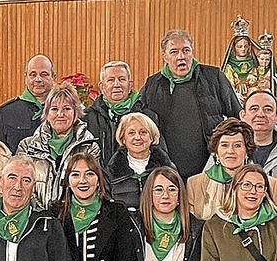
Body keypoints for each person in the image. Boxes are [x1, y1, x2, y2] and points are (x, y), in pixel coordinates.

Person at [140, 29, 241, 179]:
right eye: (174, 52)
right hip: (167, 170)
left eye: (186, 50)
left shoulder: (213, 77)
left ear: (192, 52)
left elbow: (236, 117)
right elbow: (142, 123)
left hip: (211, 166)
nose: (181, 57)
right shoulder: (153, 84)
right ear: (164, 56)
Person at [17, 82, 100, 211]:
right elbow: (21, 185)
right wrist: (42, 215)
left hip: (73, 219)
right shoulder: (27, 147)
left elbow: (92, 186)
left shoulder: (89, 147)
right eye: (54, 109)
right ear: (46, 113)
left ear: (76, 112)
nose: (60, 114)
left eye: (66, 109)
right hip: (35, 219)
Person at [187, 119, 277, 221]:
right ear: (216, 152)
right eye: (224, 145)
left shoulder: (270, 184)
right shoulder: (194, 184)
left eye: (237, 145)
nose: (230, 151)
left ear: (247, 151)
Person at [85, 60, 162, 165]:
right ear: (102, 86)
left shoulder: (148, 117)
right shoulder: (87, 118)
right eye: (111, 80)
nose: (117, 84)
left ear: (130, 85)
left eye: (121, 79)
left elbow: (159, 154)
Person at [103, 112, 175, 210]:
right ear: (123, 139)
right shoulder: (110, 173)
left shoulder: (168, 170)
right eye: (131, 133)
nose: (137, 137)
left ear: (152, 137)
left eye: (143, 132)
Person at [0, 54, 56, 153]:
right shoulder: (5, 113)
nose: (38, 79)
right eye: (33, 75)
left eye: (44, 74)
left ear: (53, 77)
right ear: (26, 78)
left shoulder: (66, 111)